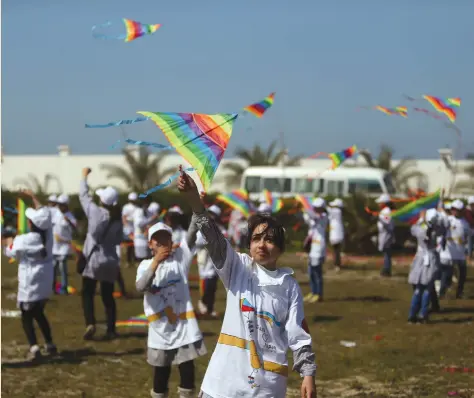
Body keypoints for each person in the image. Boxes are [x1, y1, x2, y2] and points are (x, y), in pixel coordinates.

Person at [177, 169, 317, 398]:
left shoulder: (289, 287)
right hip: (223, 383)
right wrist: (193, 198)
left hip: (267, 387)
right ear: (249, 244)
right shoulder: (238, 268)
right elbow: (212, 236)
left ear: (281, 248)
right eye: (257, 238)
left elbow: (298, 334)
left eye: (270, 240)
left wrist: (308, 374)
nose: (262, 245)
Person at [136, 221, 207, 398]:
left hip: (184, 329)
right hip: (160, 332)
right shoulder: (145, 265)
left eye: (165, 240)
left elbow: (192, 231)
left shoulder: (180, 259)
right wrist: (156, 263)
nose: (161, 244)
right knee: (160, 376)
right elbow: (141, 286)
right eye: (157, 241)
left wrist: (196, 203)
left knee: (188, 374)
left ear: (171, 241)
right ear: (150, 244)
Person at [4, 190, 57, 360]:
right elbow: (44, 214)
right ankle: (49, 343)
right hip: (45, 278)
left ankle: (34, 347)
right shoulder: (47, 235)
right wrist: (33, 196)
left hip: (30, 280)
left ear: (32, 223)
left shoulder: (25, 240)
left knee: (26, 314)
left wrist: (7, 242)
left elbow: (10, 253)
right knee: (38, 311)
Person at [79, 167, 123, 340]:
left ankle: (90, 323)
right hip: (111, 259)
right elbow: (119, 240)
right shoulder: (118, 220)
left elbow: (83, 196)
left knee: (87, 292)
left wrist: (84, 177)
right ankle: (111, 329)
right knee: (108, 296)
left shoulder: (96, 212)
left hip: (94, 258)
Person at [407, 209, 442, 323]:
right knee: (427, 289)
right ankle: (423, 314)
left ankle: (412, 315)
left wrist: (421, 219)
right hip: (431, 259)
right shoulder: (436, 230)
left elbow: (412, 229)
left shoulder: (421, 229)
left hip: (420, 259)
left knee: (418, 289)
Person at [195, 205, 226, 317]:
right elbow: (198, 242)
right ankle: (203, 304)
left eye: (214, 215)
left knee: (213, 286)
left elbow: (225, 241)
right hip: (205, 260)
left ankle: (210, 308)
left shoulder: (220, 228)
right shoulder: (202, 227)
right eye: (210, 214)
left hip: (216, 262)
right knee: (206, 285)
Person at [52, 194, 77, 295]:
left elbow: (75, 230)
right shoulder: (56, 213)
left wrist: (70, 222)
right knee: (53, 268)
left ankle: (63, 288)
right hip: (54, 245)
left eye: (62, 205)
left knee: (62, 267)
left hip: (64, 246)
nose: (60, 206)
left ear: (66, 205)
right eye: (59, 204)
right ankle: (53, 287)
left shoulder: (70, 216)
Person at [304, 197, 328, 303]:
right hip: (312, 247)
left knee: (317, 272)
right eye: (314, 207)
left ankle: (319, 294)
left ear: (322, 208)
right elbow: (308, 219)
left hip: (319, 247)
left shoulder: (324, 216)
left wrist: (304, 206)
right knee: (311, 271)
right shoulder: (315, 218)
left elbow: (313, 216)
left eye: (317, 207)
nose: (315, 209)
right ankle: (313, 292)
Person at [449, 199, 469, 298]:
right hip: (449, 252)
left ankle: (459, 292)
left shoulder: (465, 223)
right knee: (447, 273)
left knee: (463, 273)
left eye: (457, 209)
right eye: (453, 209)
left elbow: (468, 235)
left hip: (460, 252)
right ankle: (442, 290)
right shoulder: (448, 220)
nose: (455, 211)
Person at [375, 194, 395, 277]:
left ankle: (386, 270)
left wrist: (379, 218)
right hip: (384, 234)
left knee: (387, 252)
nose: (379, 204)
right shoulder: (385, 211)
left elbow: (387, 222)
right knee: (386, 252)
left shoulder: (386, 211)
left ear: (384, 203)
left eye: (380, 202)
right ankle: (386, 269)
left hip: (386, 234)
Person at [122, 192, 138, 267]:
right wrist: (127, 228)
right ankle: (128, 261)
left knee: (134, 245)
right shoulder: (126, 207)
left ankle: (134, 260)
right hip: (129, 226)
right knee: (129, 245)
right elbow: (124, 218)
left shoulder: (137, 207)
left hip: (134, 226)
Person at [327, 198, 344, 271]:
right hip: (335, 233)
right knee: (336, 250)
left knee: (336, 250)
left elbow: (328, 209)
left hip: (337, 234)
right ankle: (336, 264)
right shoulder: (335, 212)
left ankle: (337, 264)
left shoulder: (337, 211)